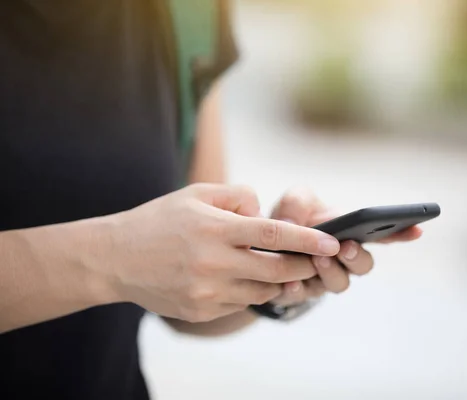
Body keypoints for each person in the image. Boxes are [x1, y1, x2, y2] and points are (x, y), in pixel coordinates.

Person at [0, 1, 422, 399]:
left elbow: (183, 304)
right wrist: (115, 257)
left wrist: (271, 270)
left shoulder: (188, 12)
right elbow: (133, 263)